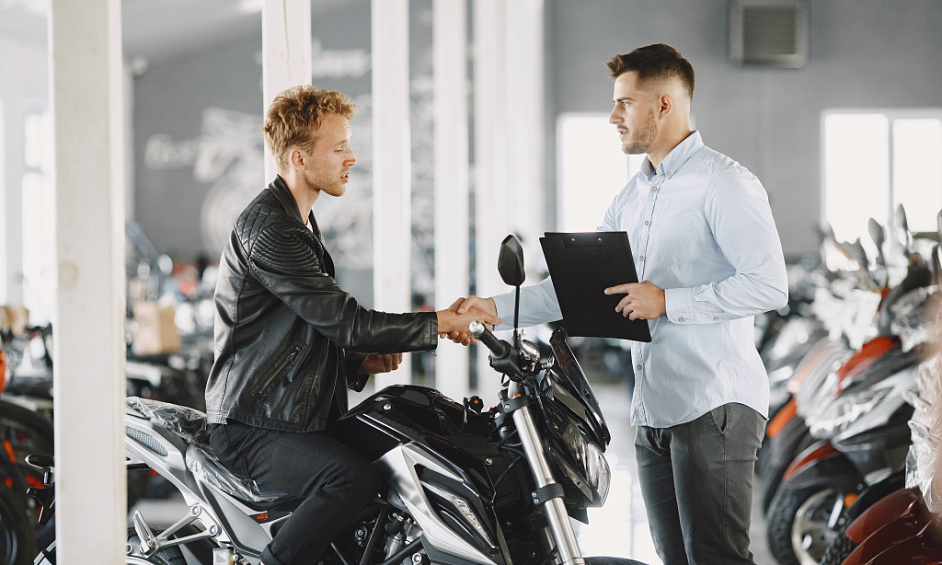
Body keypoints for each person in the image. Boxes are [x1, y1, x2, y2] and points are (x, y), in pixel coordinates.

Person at [451, 44, 788, 564]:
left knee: (716, 558)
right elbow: (579, 289)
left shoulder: (724, 183)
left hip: (714, 405)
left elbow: (768, 285)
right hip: (653, 409)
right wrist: (489, 309)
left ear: (664, 104)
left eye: (625, 103)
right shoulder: (630, 199)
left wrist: (667, 301)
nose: (613, 116)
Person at [205, 84, 496, 565]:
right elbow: (347, 323)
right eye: (338, 147)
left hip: (287, 414)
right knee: (351, 480)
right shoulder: (272, 229)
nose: (352, 158)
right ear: (299, 158)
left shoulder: (298, 221)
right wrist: (442, 322)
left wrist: (357, 361)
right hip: (252, 423)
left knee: (404, 444)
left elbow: (298, 333)